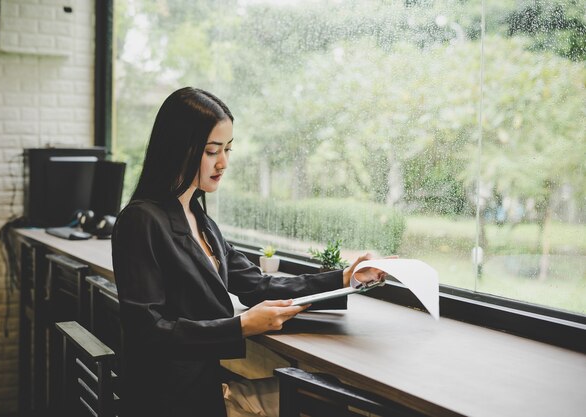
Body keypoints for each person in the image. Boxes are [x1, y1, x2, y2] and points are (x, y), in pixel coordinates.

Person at [111, 87, 385, 417]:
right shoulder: (140, 221)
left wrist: (345, 278)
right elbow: (147, 332)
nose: (224, 162)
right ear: (179, 149)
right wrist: (240, 326)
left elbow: (258, 286)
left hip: (201, 386)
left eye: (227, 149)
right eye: (212, 151)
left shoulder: (200, 219)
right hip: (173, 400)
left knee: (325, 391)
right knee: (325, 399)